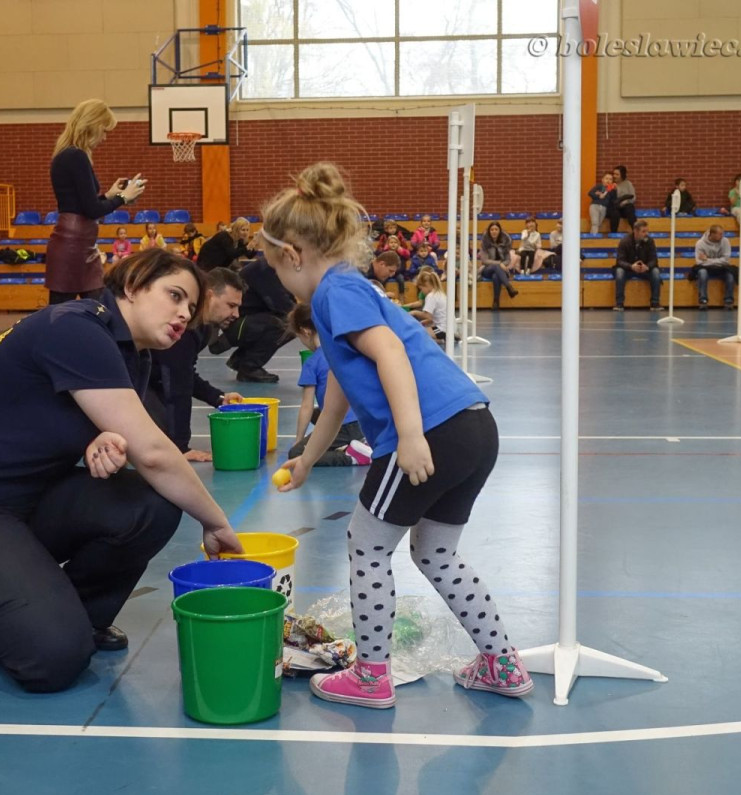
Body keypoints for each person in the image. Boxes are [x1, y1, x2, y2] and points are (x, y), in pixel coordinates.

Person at [0, 249, 242, 693]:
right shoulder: (77, 328)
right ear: (134, 284)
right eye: (174, 296)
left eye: (191, 308)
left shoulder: (132, 354)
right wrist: (215, 521)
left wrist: (93, 441)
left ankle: (73, 613)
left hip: (32, 494)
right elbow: (154, 453)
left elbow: (47, 412)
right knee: (53, 660)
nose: (183, 314)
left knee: (151, 504)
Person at [259, 162, 532, 709]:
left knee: (366, 544)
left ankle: (370, 675)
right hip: (473, 426)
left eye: (275, 269)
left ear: (293, 255)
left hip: (430, 430)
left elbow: (388, 354)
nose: (279, 281)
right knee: (436, 552)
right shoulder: (353, 291)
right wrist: (310, 457)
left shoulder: (334, 293)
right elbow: (340, 388)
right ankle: (501, 663)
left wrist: (409, 436)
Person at [46, 99, 147, 304]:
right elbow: (91, 209)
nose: (105, 137)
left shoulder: (66, 155)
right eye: (104, 130)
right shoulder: (77, 156)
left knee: (77, 308)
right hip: (75, 244)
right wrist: (122, 198)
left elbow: (81, 205)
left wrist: (109, 196)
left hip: (75, 242)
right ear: (93, 125)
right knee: (92, 309)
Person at [146, 267, 246, 461]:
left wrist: (218, 398)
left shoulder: (204, 328)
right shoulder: (184, 326)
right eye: (231, 305)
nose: (236, 314)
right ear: (209, 296)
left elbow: (184, 373)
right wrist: (180, 447)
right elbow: (177, 388)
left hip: (149, 376)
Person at [285, 303, 372, 468]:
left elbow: (306, 406)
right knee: (317, 414)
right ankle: (357, 442)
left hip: (345, 425)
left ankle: (351, 457)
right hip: (363, 420)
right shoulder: (342, 351)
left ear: (305, 331)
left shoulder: (312, 363)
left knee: (296, 455)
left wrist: (298, 442)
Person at [209, 252, 295, 382]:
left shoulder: (273, 268)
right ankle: (249, 366)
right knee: (285, 324)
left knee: (288, 322)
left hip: (242, 321)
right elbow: (282, 305)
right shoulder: (265, 270)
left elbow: (287, 300)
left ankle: (241, 360)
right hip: (231, 323)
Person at [613, 219, 661, 311]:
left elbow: (654, 260)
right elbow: (620, 261)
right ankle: (619, 303)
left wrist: (647, 267)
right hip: (628, 269)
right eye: (643, 231)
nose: (646, 233)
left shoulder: (650, 241)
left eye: (647, 231)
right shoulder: (624, 241)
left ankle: (655, 303)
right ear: (635, 231)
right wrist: (631, 266)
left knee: (655, 272)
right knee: (619, 272)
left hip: (644, 269)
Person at [691, 225, 736, 310]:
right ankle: (703, 300)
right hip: (707, 269)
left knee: (731, 274)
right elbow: (699, 262)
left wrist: (707, 260)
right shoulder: (700, 243)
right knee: (702, 273)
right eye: (720, 234)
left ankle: (728, 301)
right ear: (712, 234)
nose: (722, 236)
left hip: (722, 268)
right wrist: (718, 261)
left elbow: (726, 260)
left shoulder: (725, 241)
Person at [479, 221, 518, 309]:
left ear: (499, 231)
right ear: (489, 231)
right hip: (487, 269)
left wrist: (501, 265)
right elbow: (484, 260)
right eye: (492, 229)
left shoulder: (504, 243)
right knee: (496, 267)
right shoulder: (485, 244)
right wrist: (499, 264)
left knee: (496, 276)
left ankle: (496, 301)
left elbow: (508, 260)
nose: (494, 231)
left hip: (501, 271)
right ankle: (509, 287)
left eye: (496, 229)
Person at [403, 268, 449, 341]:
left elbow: (427, 316)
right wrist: (423, 322)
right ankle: (439, 338)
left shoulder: (431, 296)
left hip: (443, 329)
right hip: (448, 327)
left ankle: (440, 338)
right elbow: (433, 317)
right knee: (421, 328)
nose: (422, 291)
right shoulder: (439, 293)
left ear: (425, 286)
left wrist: (414, 312)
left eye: (421, 289)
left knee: (416, 333)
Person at [608, 165, 637, 233]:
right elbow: (608, 197)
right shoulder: (611, 184)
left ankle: (636, 231)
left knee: (629, 209)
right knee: (614, 213)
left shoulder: (628, 184)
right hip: (615, 207)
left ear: (622, 175)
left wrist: (625, 202)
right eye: (614, 174)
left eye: (617, 174)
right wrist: (613, 190)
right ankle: (614, 234)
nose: (614, 176)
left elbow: (633, 197)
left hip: (626, 206)